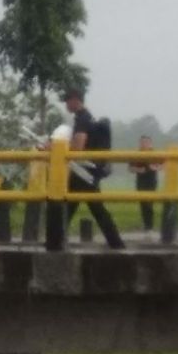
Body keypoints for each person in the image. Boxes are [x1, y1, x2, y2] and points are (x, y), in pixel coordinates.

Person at [62, 88, 125, 249]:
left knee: (71, 205)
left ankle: (55, 240)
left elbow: (78, 147)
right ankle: (116, 242)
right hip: (89, 170)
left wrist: (57, 148)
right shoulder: (89, 118)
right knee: (78, 205)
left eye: (67, 100)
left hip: (84, 171)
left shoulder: (82, 119)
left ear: (75, 100)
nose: (65, 104)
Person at [129, 134, 162, 232]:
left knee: (149, 203)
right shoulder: (136, 154)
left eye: (146, 142)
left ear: (150, 144)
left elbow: (164, 165)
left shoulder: (155, 154)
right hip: (141, 180)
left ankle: (149, 226)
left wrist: (155, 168)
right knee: (143, 203)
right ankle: (146, 224)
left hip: (151, 181)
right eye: (142, 142)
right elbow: (130, 168)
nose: (144, 144)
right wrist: (139, 169)